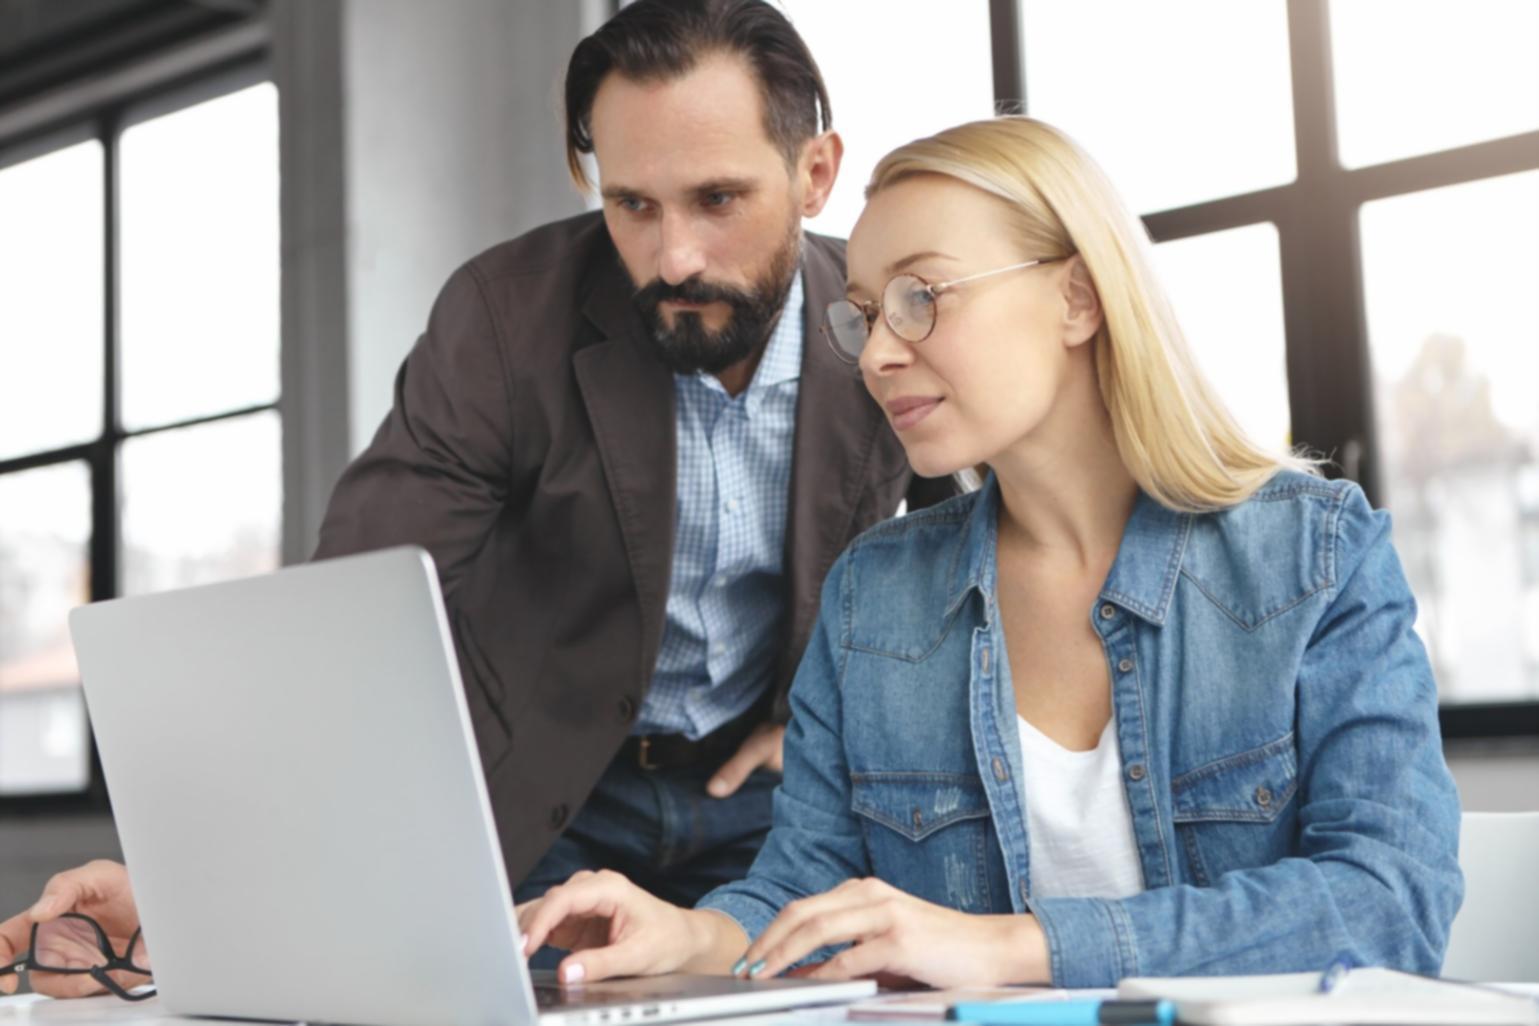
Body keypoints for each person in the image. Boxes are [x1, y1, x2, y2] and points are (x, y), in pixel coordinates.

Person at [0, 0, 955, 997]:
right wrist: (193, 889)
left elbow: (963, 554)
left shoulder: (876, 322)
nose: (673, 256)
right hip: (548, 794)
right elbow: (348, 620)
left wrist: (822, 717)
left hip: (765, 804)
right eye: (633, 204)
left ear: (814, 173)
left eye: (717, 198)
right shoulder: (505, 316)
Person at [513, 115, 1465, 988]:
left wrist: (1007, 947)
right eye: (864, 313)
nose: (877, 354)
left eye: (920, 297)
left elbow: (1390, 901)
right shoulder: (872, 595)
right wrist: (688, 934)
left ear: (1077, 298)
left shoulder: (1315, 554)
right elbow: (806, 893)